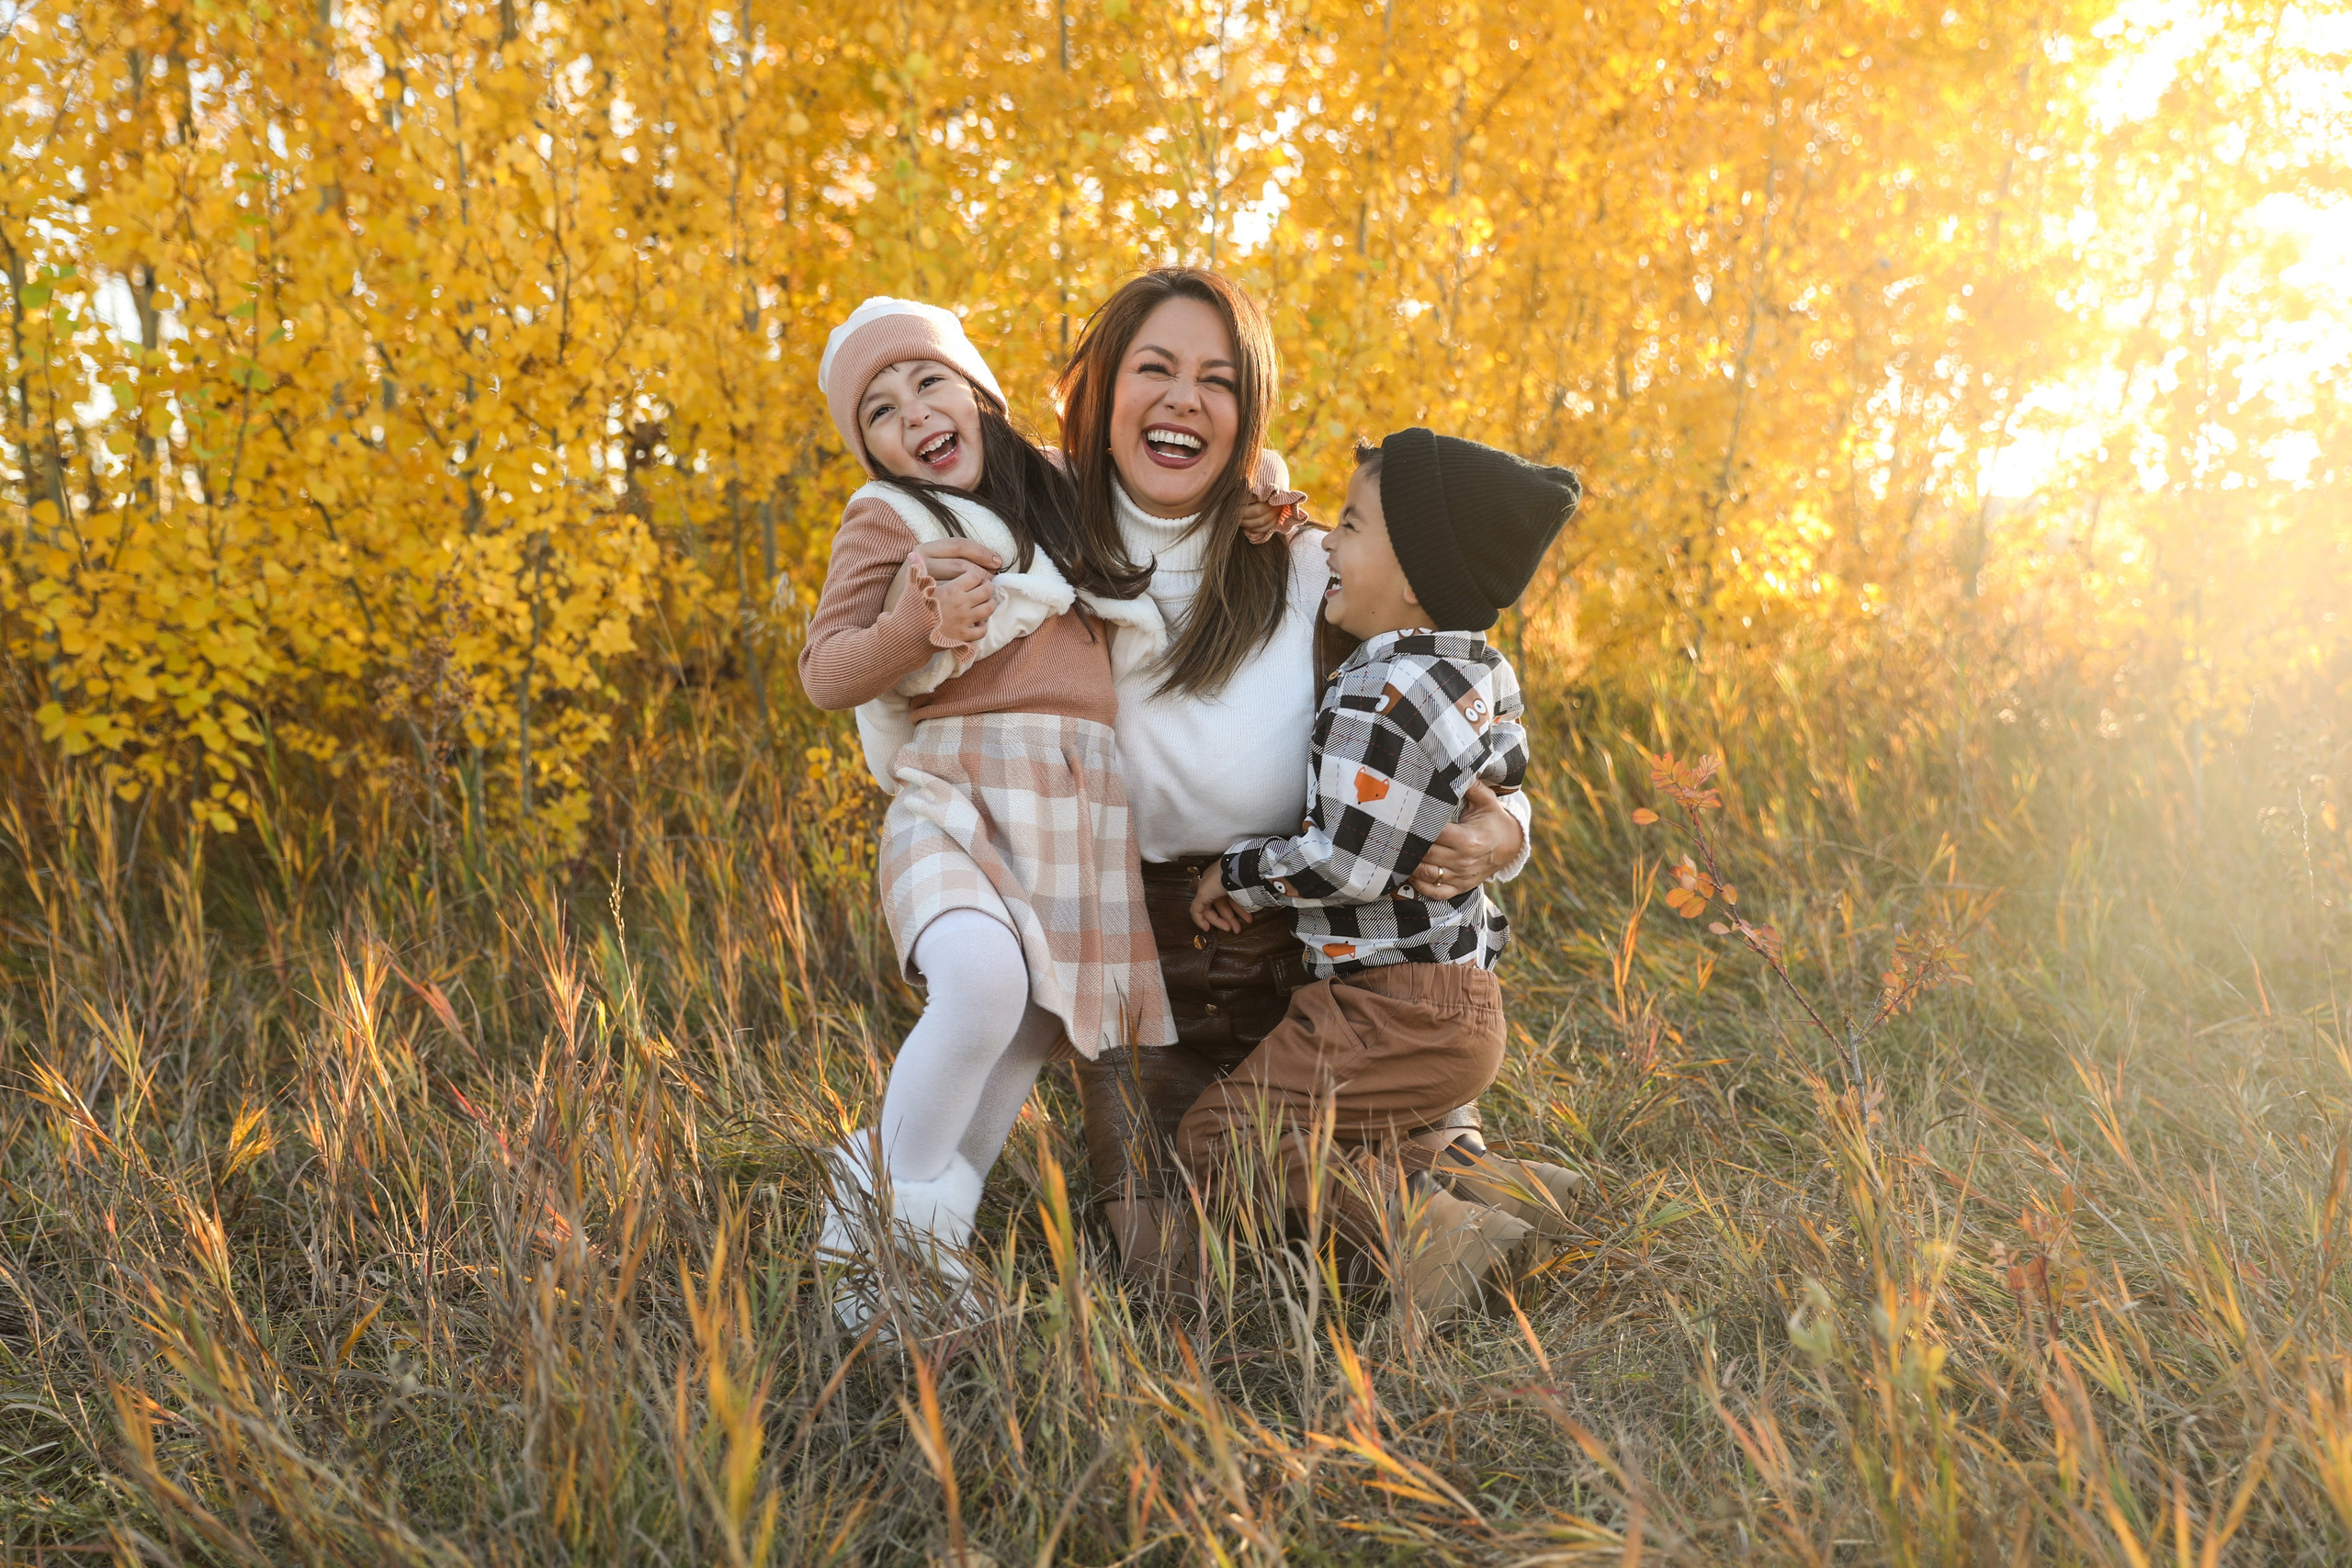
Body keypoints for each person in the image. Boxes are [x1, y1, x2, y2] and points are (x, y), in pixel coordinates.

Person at [1043, 269, 1539, 1286]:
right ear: (1101, 392)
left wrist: (1510, 831)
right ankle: (1438, 1198)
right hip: (1143, 977)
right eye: (1154, 368)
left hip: (1314, 976)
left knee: (1257, 1182)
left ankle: (1454, 1198)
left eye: (1218, 380)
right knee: (1169, 1272)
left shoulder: (1318, 567)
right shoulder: (1039, 560)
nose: (1184, 399)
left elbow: (1460, 728)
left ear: (1249, 410)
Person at [796, 298, 1172, 1332]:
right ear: (870, 449)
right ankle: (873, 1228)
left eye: (927, 382)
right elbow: (826, 670)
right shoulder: (890, 518)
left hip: (1075, 801)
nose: (913, 414)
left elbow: (1170, 505)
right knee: (980, 983)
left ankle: (915, 1262)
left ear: (976, 392)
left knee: (1034, 1024)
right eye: (879, 411)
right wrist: (915, 627)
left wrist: (1265, 490)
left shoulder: (1058, 487)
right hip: (960, 789)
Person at [1177, 430, 1584, 1322]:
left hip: (1390, 1006)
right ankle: (1513, 1195)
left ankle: (1428, 1238)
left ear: (1412, 579)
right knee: (1371, 1133)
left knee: (1221, 1134)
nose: (1329, 539)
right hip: (1458, 997)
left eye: (1352, 525)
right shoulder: (1476, 670)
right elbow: (1504, 786)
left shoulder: (1381, 692)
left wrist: (1237, 874)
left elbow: (1350, 863)